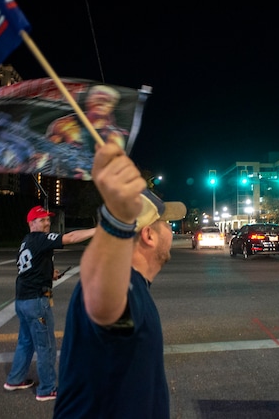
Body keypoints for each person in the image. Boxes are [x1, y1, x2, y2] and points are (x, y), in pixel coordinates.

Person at [53, 142, 186, 418]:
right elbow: (106, 305)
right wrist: (117, 220)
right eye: (167, 224)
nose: (172, 232)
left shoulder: (135, 285)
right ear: (148, 235)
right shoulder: (124, 286)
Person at [3, 206, 95, 401]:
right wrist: (99, 230)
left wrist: (48, 273)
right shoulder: (40, 239)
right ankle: (46, 389)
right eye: (41, 220)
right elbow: (70, 238)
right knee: (46, 346)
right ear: (31, 223)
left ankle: (15, 379)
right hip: (36, 301)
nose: (46, 223)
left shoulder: (26, 242)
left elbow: (27, 267)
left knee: (26, 342)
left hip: (22, 300)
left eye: (47, 220)